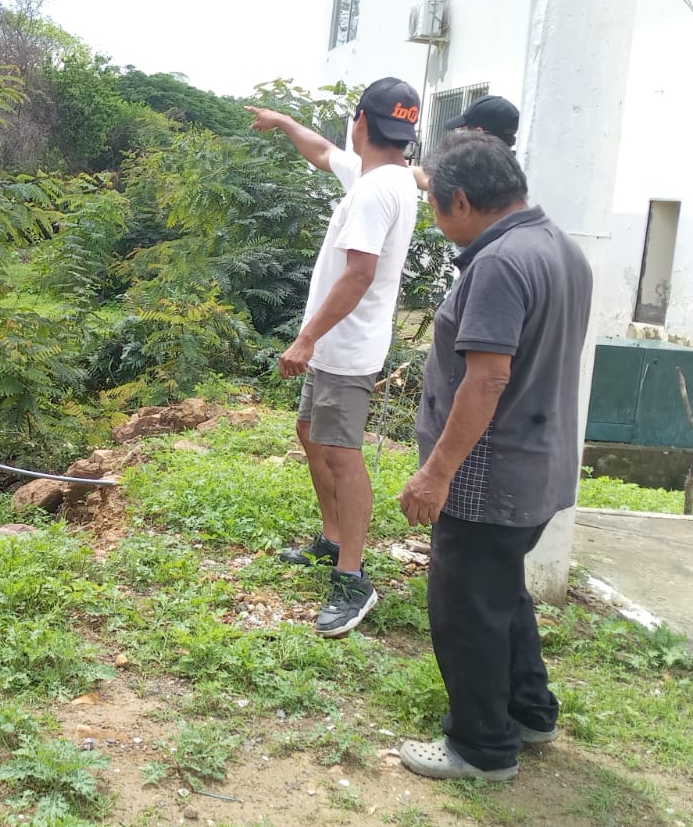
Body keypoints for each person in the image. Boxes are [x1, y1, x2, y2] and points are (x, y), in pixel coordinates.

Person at [397, 131, 592, 781]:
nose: (433, 215)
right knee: (501, 594)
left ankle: (481, 747)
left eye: (434, 202)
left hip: (487, 476)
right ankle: (530, 711)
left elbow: (486, 380)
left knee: (466, 610)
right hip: (539, 466)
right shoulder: (561, 247)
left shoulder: (500, 264)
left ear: (460, 200)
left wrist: (435, 473)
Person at [245, 78, 423, 637]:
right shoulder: (385, 176)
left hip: (345, 347)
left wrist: (306, 339)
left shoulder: (374, 192)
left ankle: (353, 578)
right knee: (309, 432)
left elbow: (359, 274)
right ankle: (332, 538)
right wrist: (284, 122)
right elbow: (323, 153)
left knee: (343, 456)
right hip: (339, 343)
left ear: (361, 120)